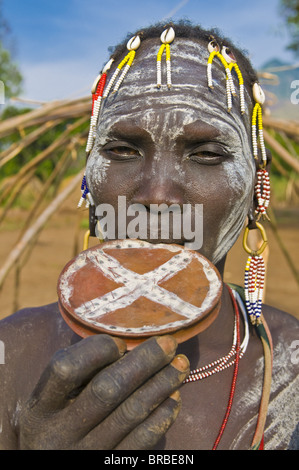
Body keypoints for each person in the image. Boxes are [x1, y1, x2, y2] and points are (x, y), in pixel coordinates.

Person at [0, 20, 298, 451]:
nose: (156, 196)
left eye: (207, 154)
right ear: (88, 182)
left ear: (256, 190)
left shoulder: (289, 363)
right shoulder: (13, 353)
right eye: (122, 150)